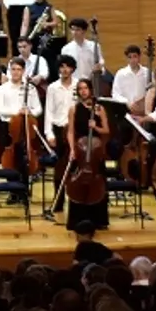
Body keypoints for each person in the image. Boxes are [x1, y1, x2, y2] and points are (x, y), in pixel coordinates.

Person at [66, 78, 110, 230]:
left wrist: (95, 127)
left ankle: (98, 220)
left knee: (98, 182)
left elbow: (106, 130)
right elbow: (70, 131)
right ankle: (77, 220)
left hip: (95, 152)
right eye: (80, 89)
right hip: (80, 151)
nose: (83, 91)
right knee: (77, 182)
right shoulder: (74, 109)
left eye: (85, 88)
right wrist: (72, 149)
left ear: (90, 90)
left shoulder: (99, 109)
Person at [44, 55, 78, 217]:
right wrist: (49, 134)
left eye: (68, 66)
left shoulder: (79, 85)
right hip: (58, 130)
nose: (64, 70)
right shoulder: (52, 87)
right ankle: (58, 203)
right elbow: (49, 112)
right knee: (59, 169)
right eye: (61, 66)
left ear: (72, 68)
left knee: (75, 168)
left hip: (75, 131)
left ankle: (76, 201)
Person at [59, 18, 105, 82]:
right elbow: (63, 69)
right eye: (72, 29)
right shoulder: (66, 49)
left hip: (91, 81)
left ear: (84, 31)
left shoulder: (94, 46)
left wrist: (99, 69)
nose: (74, 32)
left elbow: (101, 63)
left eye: (78, 30)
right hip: (73, 83)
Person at [112, 44, 150, 115]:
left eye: (135, 56)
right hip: (126, 111)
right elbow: (115, 94)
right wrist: (127, 103)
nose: (132, 60)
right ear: (127, 58)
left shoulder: (147, 72)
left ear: (139, 57)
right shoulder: (121, 74)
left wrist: (142, 104)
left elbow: (151, 91)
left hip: (143, 111)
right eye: (129, 57)